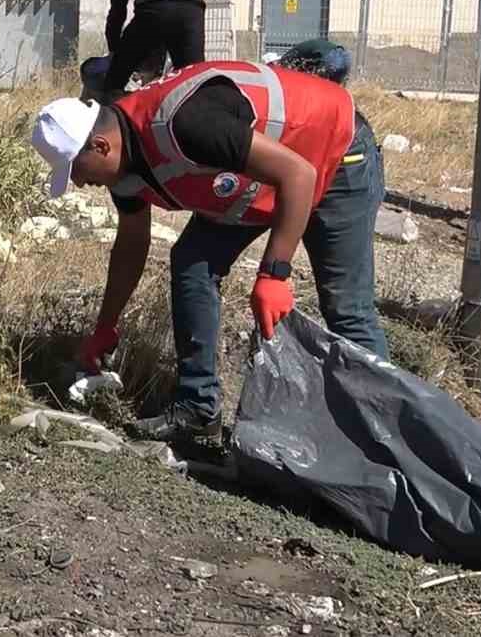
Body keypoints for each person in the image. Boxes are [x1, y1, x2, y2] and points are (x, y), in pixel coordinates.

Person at [31, 60, 387, 441]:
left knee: (346, 309)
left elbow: (298, 174)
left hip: (335, 152)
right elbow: (132, 244)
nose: (82, 184)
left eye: (77, 172)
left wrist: (274, 274)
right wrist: (106, 325)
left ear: (101, 147)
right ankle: (198, 410)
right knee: (192, 262)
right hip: (264, 177)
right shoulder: (123, 164)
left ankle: (381, 438)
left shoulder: (186, 123)